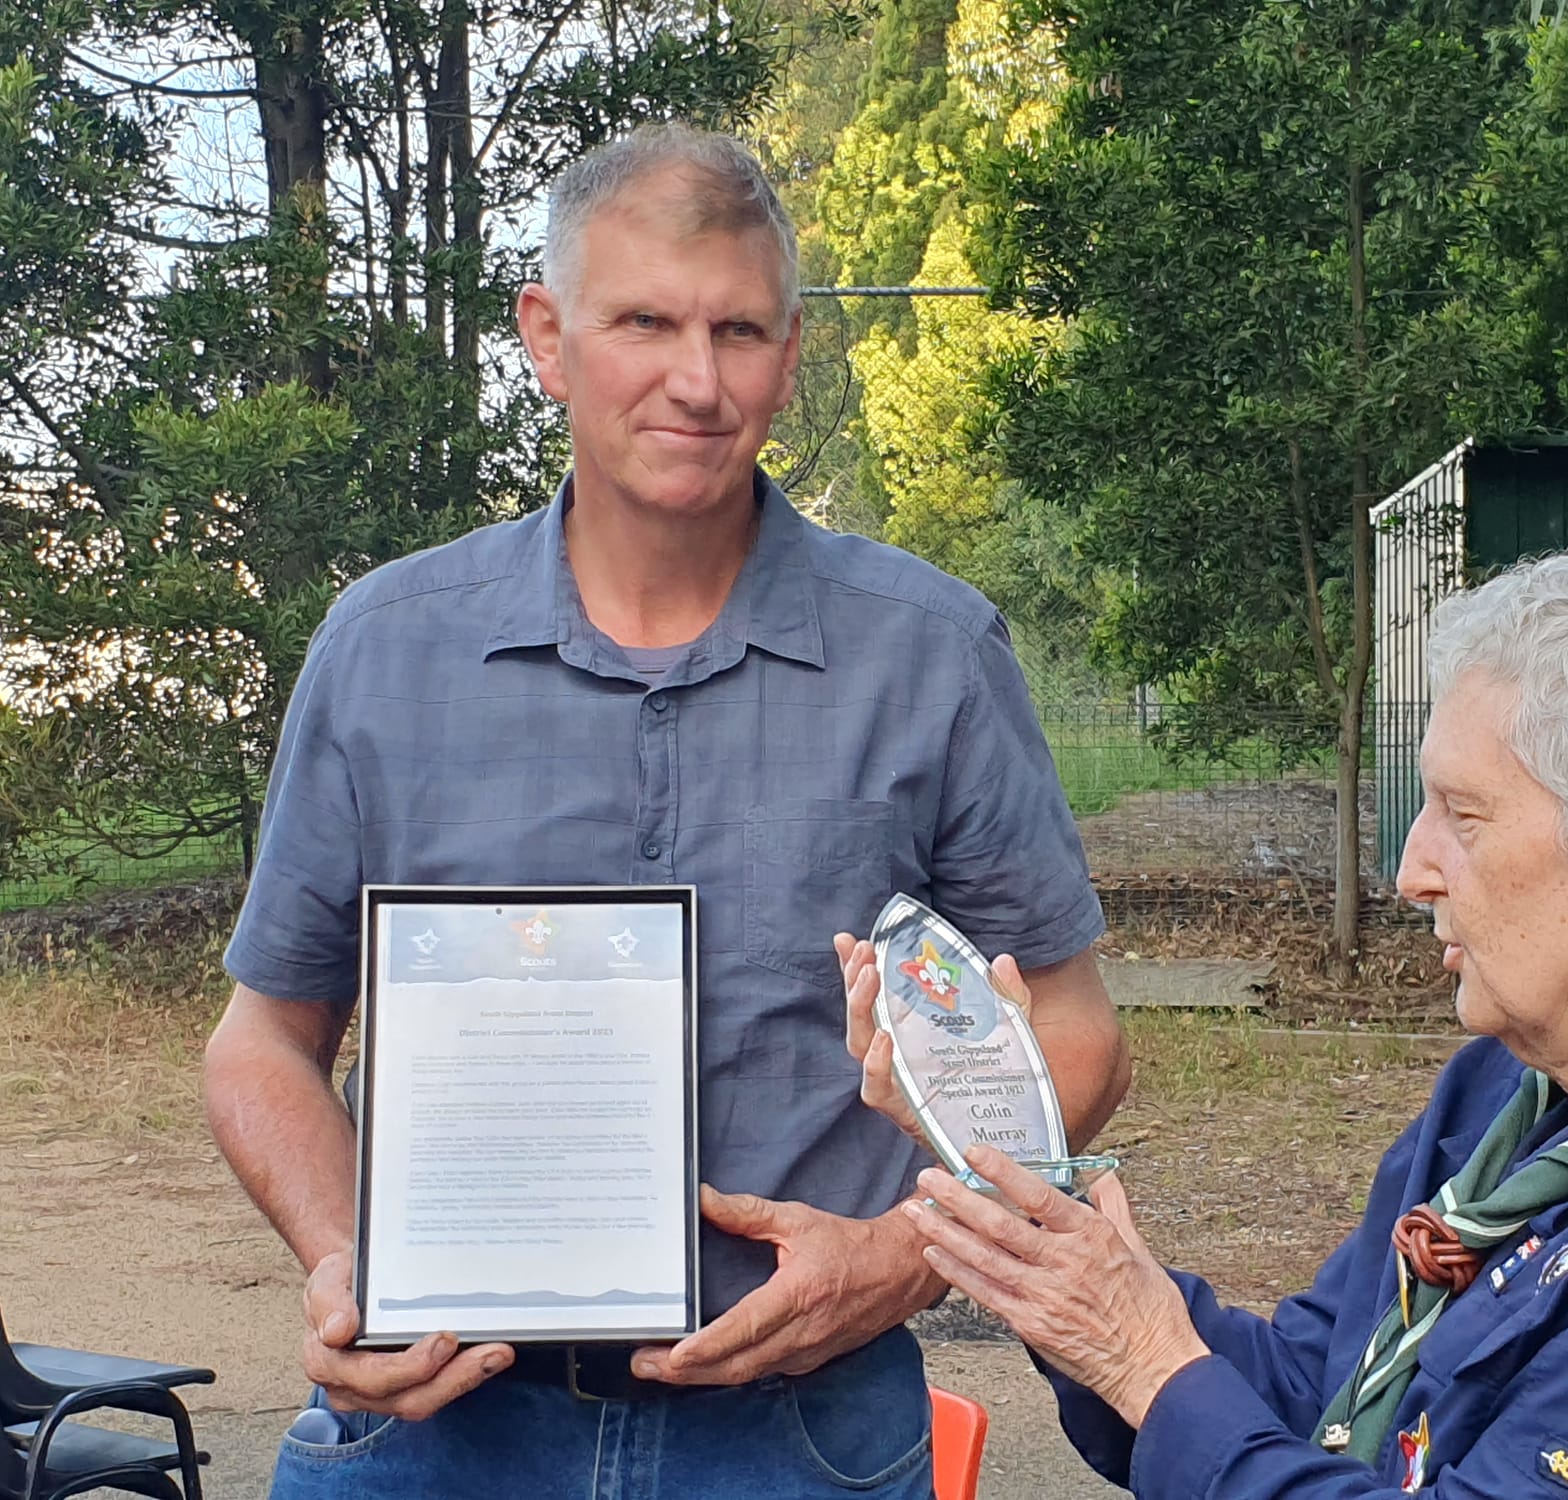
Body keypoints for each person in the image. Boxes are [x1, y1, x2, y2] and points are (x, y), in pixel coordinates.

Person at [202, 122, 1130, 1499]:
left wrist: (900, 1260)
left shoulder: (929, 656)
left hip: (803, 1432)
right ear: (547, 336)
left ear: (791, 356)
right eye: (644, 321)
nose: (696, 381)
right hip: (433, 1435)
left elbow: (1075, 1032)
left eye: (740, 332)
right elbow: (263, 1042)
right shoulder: (386, 649)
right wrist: (349, 1258)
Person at [852, 549, 1568, 1499]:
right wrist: (1017, 1173)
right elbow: (1315, 1394)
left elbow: (1206, 1399)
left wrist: (1147, 1361)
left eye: (1464, 815)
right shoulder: (1506, 1098)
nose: (1410, 871)